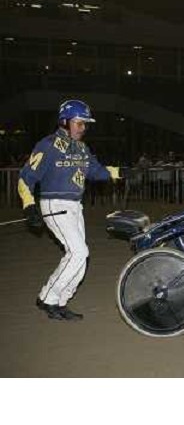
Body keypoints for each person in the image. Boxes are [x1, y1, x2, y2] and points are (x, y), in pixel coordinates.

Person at [18, 99, 122, 321]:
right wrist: (29, 206)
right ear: (64, 122)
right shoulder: (47, 145)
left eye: (85, 124)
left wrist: (121, 172)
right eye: (79, 123)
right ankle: (47, 298)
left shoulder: (83, 148)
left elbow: (96, 171)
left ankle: (61, 302)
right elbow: (25, 179)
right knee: (79, 252)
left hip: (76, 206)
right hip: (54, 205)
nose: (83, 128)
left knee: (80, 258)